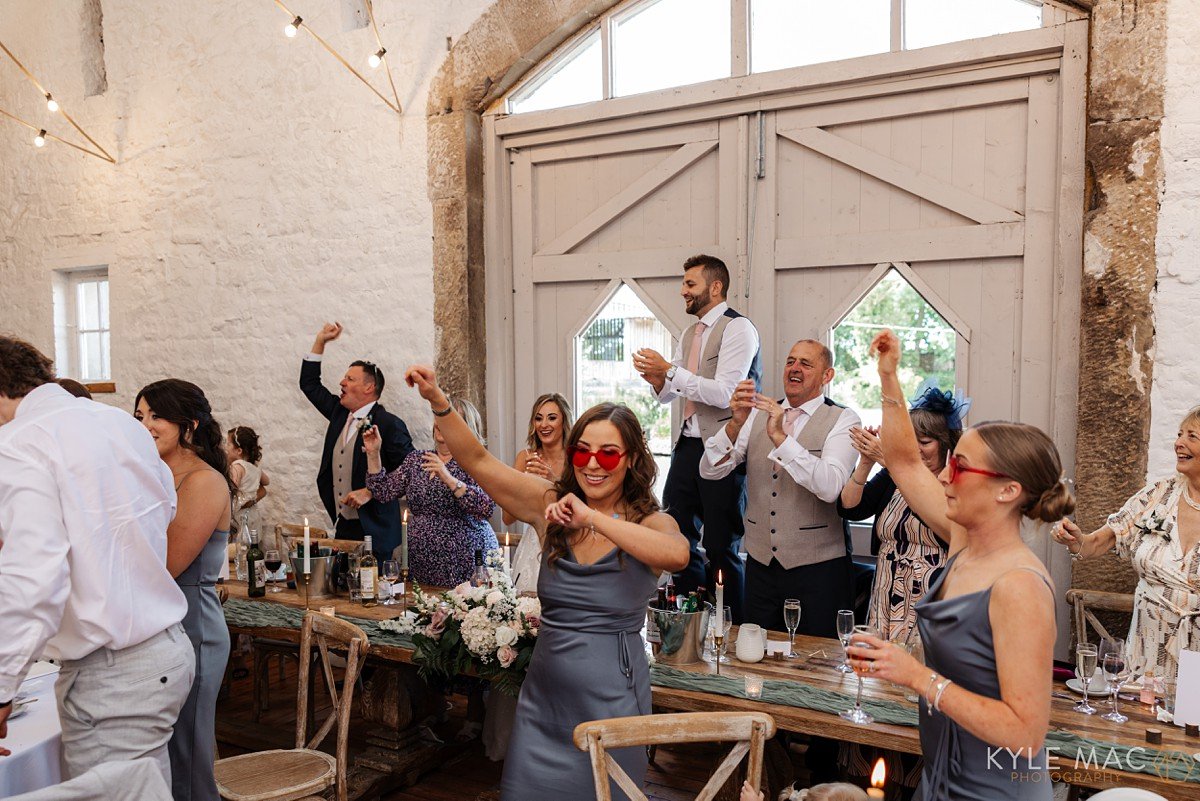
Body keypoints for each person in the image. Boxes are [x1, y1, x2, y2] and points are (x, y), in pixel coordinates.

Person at [401, 364, 688, 801]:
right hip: (543, 700)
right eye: (583, 452)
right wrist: (439, 402)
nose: (593, 464)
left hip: (613, 700)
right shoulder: (548, 504)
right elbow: (478, 461)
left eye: (608, 453)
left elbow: (677, 555)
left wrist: (592, 517)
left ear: (630, 459)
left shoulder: (651, 521)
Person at [846, 330, 1072, 800]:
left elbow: (1026, 733)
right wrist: (888, 376)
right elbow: (905, 462)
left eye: (962, 466)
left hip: (994, 789)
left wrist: (914, 674)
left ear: (1007, 490)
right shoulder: (965, 545)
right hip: (941, 776)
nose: (946, 474)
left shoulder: (1019, 585)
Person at [0, 337, 193, 784]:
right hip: (163, 649)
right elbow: (163, 507)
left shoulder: (18, 442)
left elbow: (34, 579)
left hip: (114, 672)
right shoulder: (117, 423)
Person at [700, 340, 858, 636]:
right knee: (758, 657)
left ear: (827, 376)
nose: (794, 369)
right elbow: (711, 470)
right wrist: (734, 424)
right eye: (790, 361)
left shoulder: (843, 420)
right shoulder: (757, 415)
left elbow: (830, 487)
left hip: (819, 570)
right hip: (761, 566)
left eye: (806, 364)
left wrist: (781, 439)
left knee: (818, 663)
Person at [634, 254, 761, 622]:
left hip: (724, 448)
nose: (683, 291)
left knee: (722, 547)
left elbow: (725, 393)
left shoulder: (739, 329)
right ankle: (689, 624)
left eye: (690, 284)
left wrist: (669, 370)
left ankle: (732, 630)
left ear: (715, 287)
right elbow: (670, 394)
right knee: (677, 539)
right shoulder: (690, 333)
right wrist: (658, 379)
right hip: (688, 445)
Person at [135, 379, 233, 801]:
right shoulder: (150, 474)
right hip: (158, 624)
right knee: (163, 752)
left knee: (188, 756)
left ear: (188, 426)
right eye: (140, 416)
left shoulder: (204, 482)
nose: (145, 425)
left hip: (194, 627)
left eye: (156, 416)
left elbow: (167, 564)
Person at [1052, 405, 1200, 682]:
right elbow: (1097, 542)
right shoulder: (1159, 494)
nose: (1179, 443)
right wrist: (1077, 540)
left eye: (1192, 436)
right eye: (1180, 435)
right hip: (1145, 650)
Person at [838, 386, 968, 643]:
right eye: (910, 441)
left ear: (945, 443)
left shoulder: (957, 485)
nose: (916, 450)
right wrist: (865, 462)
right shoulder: (891, 475)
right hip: (887, 588)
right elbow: (850, 508)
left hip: (931, 594)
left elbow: (944, 528)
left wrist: (893, 463)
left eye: (925, 442)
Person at [300, 322, 414, 560]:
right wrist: (320, 341)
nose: (342, 383)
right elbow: (309, 384)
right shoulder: (339, 414)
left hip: (377, 528)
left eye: (350, 379)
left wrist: (371, 491)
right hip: (344, 523)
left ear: (369, 387)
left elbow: (411, 471)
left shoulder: (390, 424)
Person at [363, 397, 498, 587]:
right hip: (420, 562)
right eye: (438, 416)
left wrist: (449, 478)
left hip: (464, 561)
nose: (440, 423)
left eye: (448, 418)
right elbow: (382, 491)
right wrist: (373, 454)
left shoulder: (476, 463)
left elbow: (486, 508)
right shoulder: (417, 460)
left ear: (466, 426)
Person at [503, 393, 574, 593]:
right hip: (533, 546)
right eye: (538, 417)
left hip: (568, 543)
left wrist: (554, 482)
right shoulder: (525, 458)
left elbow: (585, 507)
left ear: (564, 421)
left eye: (552, 417)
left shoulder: (575, 459)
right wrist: (522, 486)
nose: (544, 424)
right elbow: (507, 517)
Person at [225, 425, 269, 531]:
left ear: (239, 451)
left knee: (238, 545)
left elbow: (230, 491)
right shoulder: (254, 467)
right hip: (252, 514)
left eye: (228, 444)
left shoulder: (237, 466)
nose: (225, 447)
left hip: (238, 517)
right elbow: (267, 481)